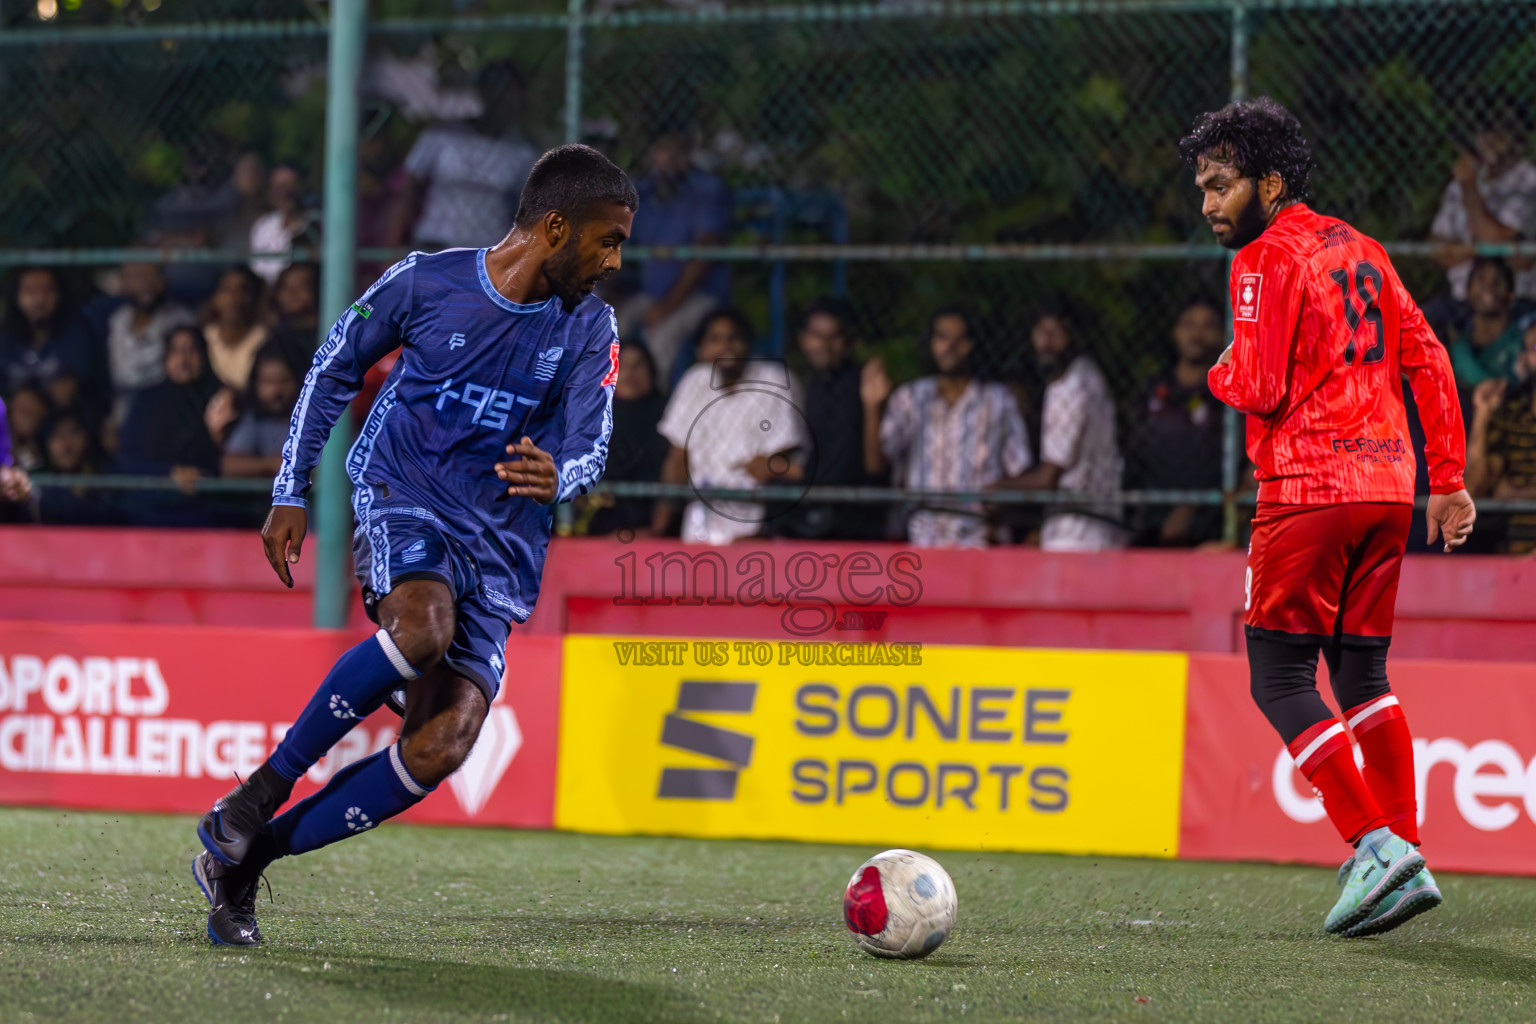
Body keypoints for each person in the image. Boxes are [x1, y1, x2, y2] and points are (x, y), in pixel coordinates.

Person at [190, 144, 636, 947]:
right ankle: (262, 789)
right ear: (556, 226)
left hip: (503, 545)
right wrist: (290, 489)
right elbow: (332, 368)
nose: (611, 262)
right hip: (407, 495)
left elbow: (593, 447)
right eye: (607, 240)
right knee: (422, 631)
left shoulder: (592, 329)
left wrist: (559, 473)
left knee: (442, 745)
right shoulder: (424, 281)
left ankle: (246, 861)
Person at [1181, 97, 1475, 937]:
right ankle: (1404, 848)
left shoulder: (1260, 261)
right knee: (1361, 677)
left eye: (1222, 184)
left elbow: (1260, 385)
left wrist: (1217, 374)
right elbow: (1426, 355)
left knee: (1276, 676)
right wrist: (1447, 479)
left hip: (1308, 491)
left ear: (1269, 183)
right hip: (1387, 491)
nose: (1208, 203)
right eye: (1202, 186)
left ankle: (1373, 845)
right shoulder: (1364, 248)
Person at [863, 306, 1030, 548]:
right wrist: (872, 408)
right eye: (942, 337)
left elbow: (1019, 469)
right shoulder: (911, 398)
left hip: (978, 538)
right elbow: (875, 464)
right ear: (930, 343)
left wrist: (998, 505)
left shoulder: (998, 401)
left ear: (973, 345)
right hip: (923, 536)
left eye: (959, 340)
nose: (949, 347)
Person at [652, 309, 805, 544]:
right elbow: (677, 456)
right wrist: (659, 528)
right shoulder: (694, 380)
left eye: (733, 338)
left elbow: (784, 460)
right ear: (700, 349)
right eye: (715, 339)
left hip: (758, 519)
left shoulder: (774, 381)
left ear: (748, 344)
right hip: (700, 517)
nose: (726, 346)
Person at [994, 303, 1128, 551]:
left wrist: (993, 489)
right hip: (1098, 526)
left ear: (1074, 336)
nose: (1046, 341)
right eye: (1041, 332)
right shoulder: (1091, 375)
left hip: (1077, 533)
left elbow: (1047, 479)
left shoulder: (1069, 387)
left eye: (1056, 332)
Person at [615, 132, 733, 383]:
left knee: (658, 340)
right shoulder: (645, 191)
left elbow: (704, 254)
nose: (667, 160)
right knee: (604, 326)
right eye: (660, 151)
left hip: (697, 296)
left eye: (675, 152)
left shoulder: (705, 189)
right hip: (650, 296)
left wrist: (666, 307)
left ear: (687, 154)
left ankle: (652, 409)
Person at [781, 297, 884, 539]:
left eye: (834, 336)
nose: (824, 345)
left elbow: (848, 463)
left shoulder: (857, 386)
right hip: (821, 503)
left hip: (850, 513)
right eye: (817, 335)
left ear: (849, 342)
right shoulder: (814, 386)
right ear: (803, 339)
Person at [1130, 297, 1228, 546]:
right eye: (1189, 324)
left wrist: (1194, 508)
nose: (1197, 334)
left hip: (1206, 530)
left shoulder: (1230, 394)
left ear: (1223, 335)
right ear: (1175, 332)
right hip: (1148, 524)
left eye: (1208, 326)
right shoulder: (1154, 389)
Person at [1429, 103, 1536, 315]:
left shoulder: (1527, 181)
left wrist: (1470, 189)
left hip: (1513, 301)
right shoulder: (1461, 182)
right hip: (1461, 300)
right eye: (1484, 131)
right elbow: (1436, 249)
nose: (1490, 139)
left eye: (1501, 131)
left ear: (1516, 138)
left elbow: (1497, 241)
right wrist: (1486, 250)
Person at [115, 325, 224, 527]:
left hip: (204, 505)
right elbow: (127, 459)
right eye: (176, 350)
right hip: (149, 504)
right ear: (165, 357)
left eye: (191, 350)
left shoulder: (221, 399)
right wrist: (171, 473)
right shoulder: (146, 400)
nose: (183, 359)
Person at [581, 340, 668, 536]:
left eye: (638, 365)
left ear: (652, 372)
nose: (630, 373)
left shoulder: (671, 415)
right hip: (597, 530)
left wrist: (654, 530)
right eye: (622, 365)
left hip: (657, 531)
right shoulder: (591, 417)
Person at [1465, 322, 1536, 553]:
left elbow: (1504, 493)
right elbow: (1473, 490)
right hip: (1516, 564)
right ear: (1524, 360)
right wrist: (1482, 416)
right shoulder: (1511, 418)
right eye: (1535, 348)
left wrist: (1516, 494)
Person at [1, 267, 98, 412]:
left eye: (48, 291)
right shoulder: (7, 340)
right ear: (16, 296)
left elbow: (65, 395)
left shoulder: (75, 335)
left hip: (60, 424)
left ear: (60, 295)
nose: (40, 299)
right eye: (30, 291)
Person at [105, 262, 197, 414]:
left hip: (166, 407)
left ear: (162, 280)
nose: (145, 284)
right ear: (124, 282)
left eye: (151, 275)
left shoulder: (181, 321)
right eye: (137, 276)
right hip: (122, 408)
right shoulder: (118, 321)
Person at [209, 343, 301, 480]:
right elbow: (229, 465)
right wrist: (272, 464)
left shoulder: (312, 418)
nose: (276, 391)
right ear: (256, 382)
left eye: (284, 381)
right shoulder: (253, 418)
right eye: (268, 382)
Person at [1447, 257, 1527, 392]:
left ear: (1510, 294)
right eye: (1480, 279)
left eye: (1497, 281)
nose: (1488, 287)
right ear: (1468, 290)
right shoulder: (1450, 340)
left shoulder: (1523, 341)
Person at [249, 164, 318, 286]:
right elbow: (256, 266)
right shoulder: (263, 224)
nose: (284, 192)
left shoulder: (315, 224)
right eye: (278, 187)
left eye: (289, 186)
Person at [203, 267, 270, 392]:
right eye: (227, 290)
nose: (234, 297)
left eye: (243, 290)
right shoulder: (205, 336)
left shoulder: (263, 338)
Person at [267, 262, 321, 370]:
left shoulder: (329, 329)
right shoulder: (276, 334)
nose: (291, 294)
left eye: (301, 287)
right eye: (286, 287)